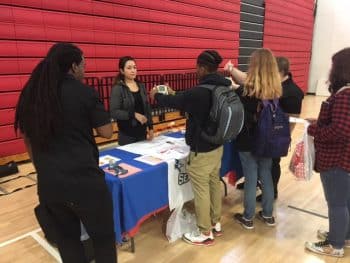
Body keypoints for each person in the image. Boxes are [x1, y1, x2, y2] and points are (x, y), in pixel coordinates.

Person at [14, 43, 117, 263]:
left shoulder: (33, 93)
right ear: (73, 66)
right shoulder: (84, 92)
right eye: (84, 65)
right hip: (85, 182)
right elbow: (106, 132)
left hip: (50, 185)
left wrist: (42, 168)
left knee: (68, 241)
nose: (85, 70)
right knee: (103, 240)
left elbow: (27, 139)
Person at [150, 50, 231, 246]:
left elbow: (177, 101)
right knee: (213, 184)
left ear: (202, 68)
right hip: (217, 145)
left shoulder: (200, 91)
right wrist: (174, 93)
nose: (196, 71)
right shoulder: (223, 86)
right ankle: (215, 222)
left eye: (197, 67)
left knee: (201, 190)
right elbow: (187, 100)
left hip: (201, 149)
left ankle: (204, 232)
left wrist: (158, 96)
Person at [226, 48, 282, 229]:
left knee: (251, 178)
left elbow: (243, 90)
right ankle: (267, 214)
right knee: (266, 175)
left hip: (248, 139)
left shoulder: (246, 90)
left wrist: (233, 85)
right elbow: (247, 87)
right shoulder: (275, 88)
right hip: (268, 139)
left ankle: (248, 217)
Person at [305, 47, 350, 258]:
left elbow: (340, 130)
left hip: (337, 160)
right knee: (345, 201)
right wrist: (319, 122)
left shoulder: (345, 95)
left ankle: (335, 245)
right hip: (344, 159)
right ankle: (343, 236)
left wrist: (314, 129)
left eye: (333, 65)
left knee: (337, 203)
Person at [257, 56, 304, 201]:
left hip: (277, 134)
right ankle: (256, 184)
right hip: (266, 131)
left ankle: (271, 192)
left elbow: (292, 118)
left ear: (281, 72)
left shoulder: (292, 91)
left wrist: (283, 136)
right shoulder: (277, 86)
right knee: (261, 160)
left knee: (272, 163)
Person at [110, 56, 153, 146]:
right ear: (122, 71)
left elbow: (147, 108)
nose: (133, 70)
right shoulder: (118, 88)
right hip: (127, 135)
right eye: (129, 68)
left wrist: (151, 127)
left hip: (142, 133)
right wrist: (133, 114)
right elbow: (114, 112)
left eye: (134, 67)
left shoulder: (141, 86)